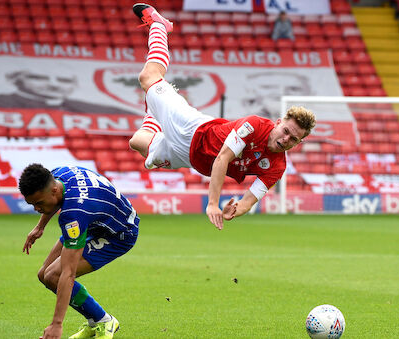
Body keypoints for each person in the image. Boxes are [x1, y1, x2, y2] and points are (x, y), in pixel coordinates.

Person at [129, 3, 316, 230]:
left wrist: (236, 210)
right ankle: (160, 26)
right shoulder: (254, 126)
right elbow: (222, 158)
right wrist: (213, 204)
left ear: (298, 142)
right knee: (148, 77)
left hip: (190, 159)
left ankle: (155, 111)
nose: (287, 139)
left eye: (294, 139)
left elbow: (250, 199)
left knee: (137, 142)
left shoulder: (277, 166)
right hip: (192, 130)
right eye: (286, 131)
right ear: (278, 123)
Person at [19, 163, 139, 339]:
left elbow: (69, 272)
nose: (36, 209)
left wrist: (56, 324)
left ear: (53, 191)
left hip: (119, 233)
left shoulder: (74, 213)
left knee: (55, 276)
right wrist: (40, 227)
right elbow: (56, 201)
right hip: (94, 222)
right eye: (32, 205)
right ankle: (96, 321)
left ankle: (103, 321)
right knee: (43, 274)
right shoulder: (58, 174)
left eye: (39, 203)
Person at [0, 69, 135, 115]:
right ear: (15, 80)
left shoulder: (106, 111)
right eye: (39, 77)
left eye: (64, 80)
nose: (53, 85)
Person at [242, 72, 312, 119]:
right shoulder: (248, 124)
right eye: (268, 87)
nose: (281, 93)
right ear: (250, 93)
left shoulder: (311, 126)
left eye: (293, 88)